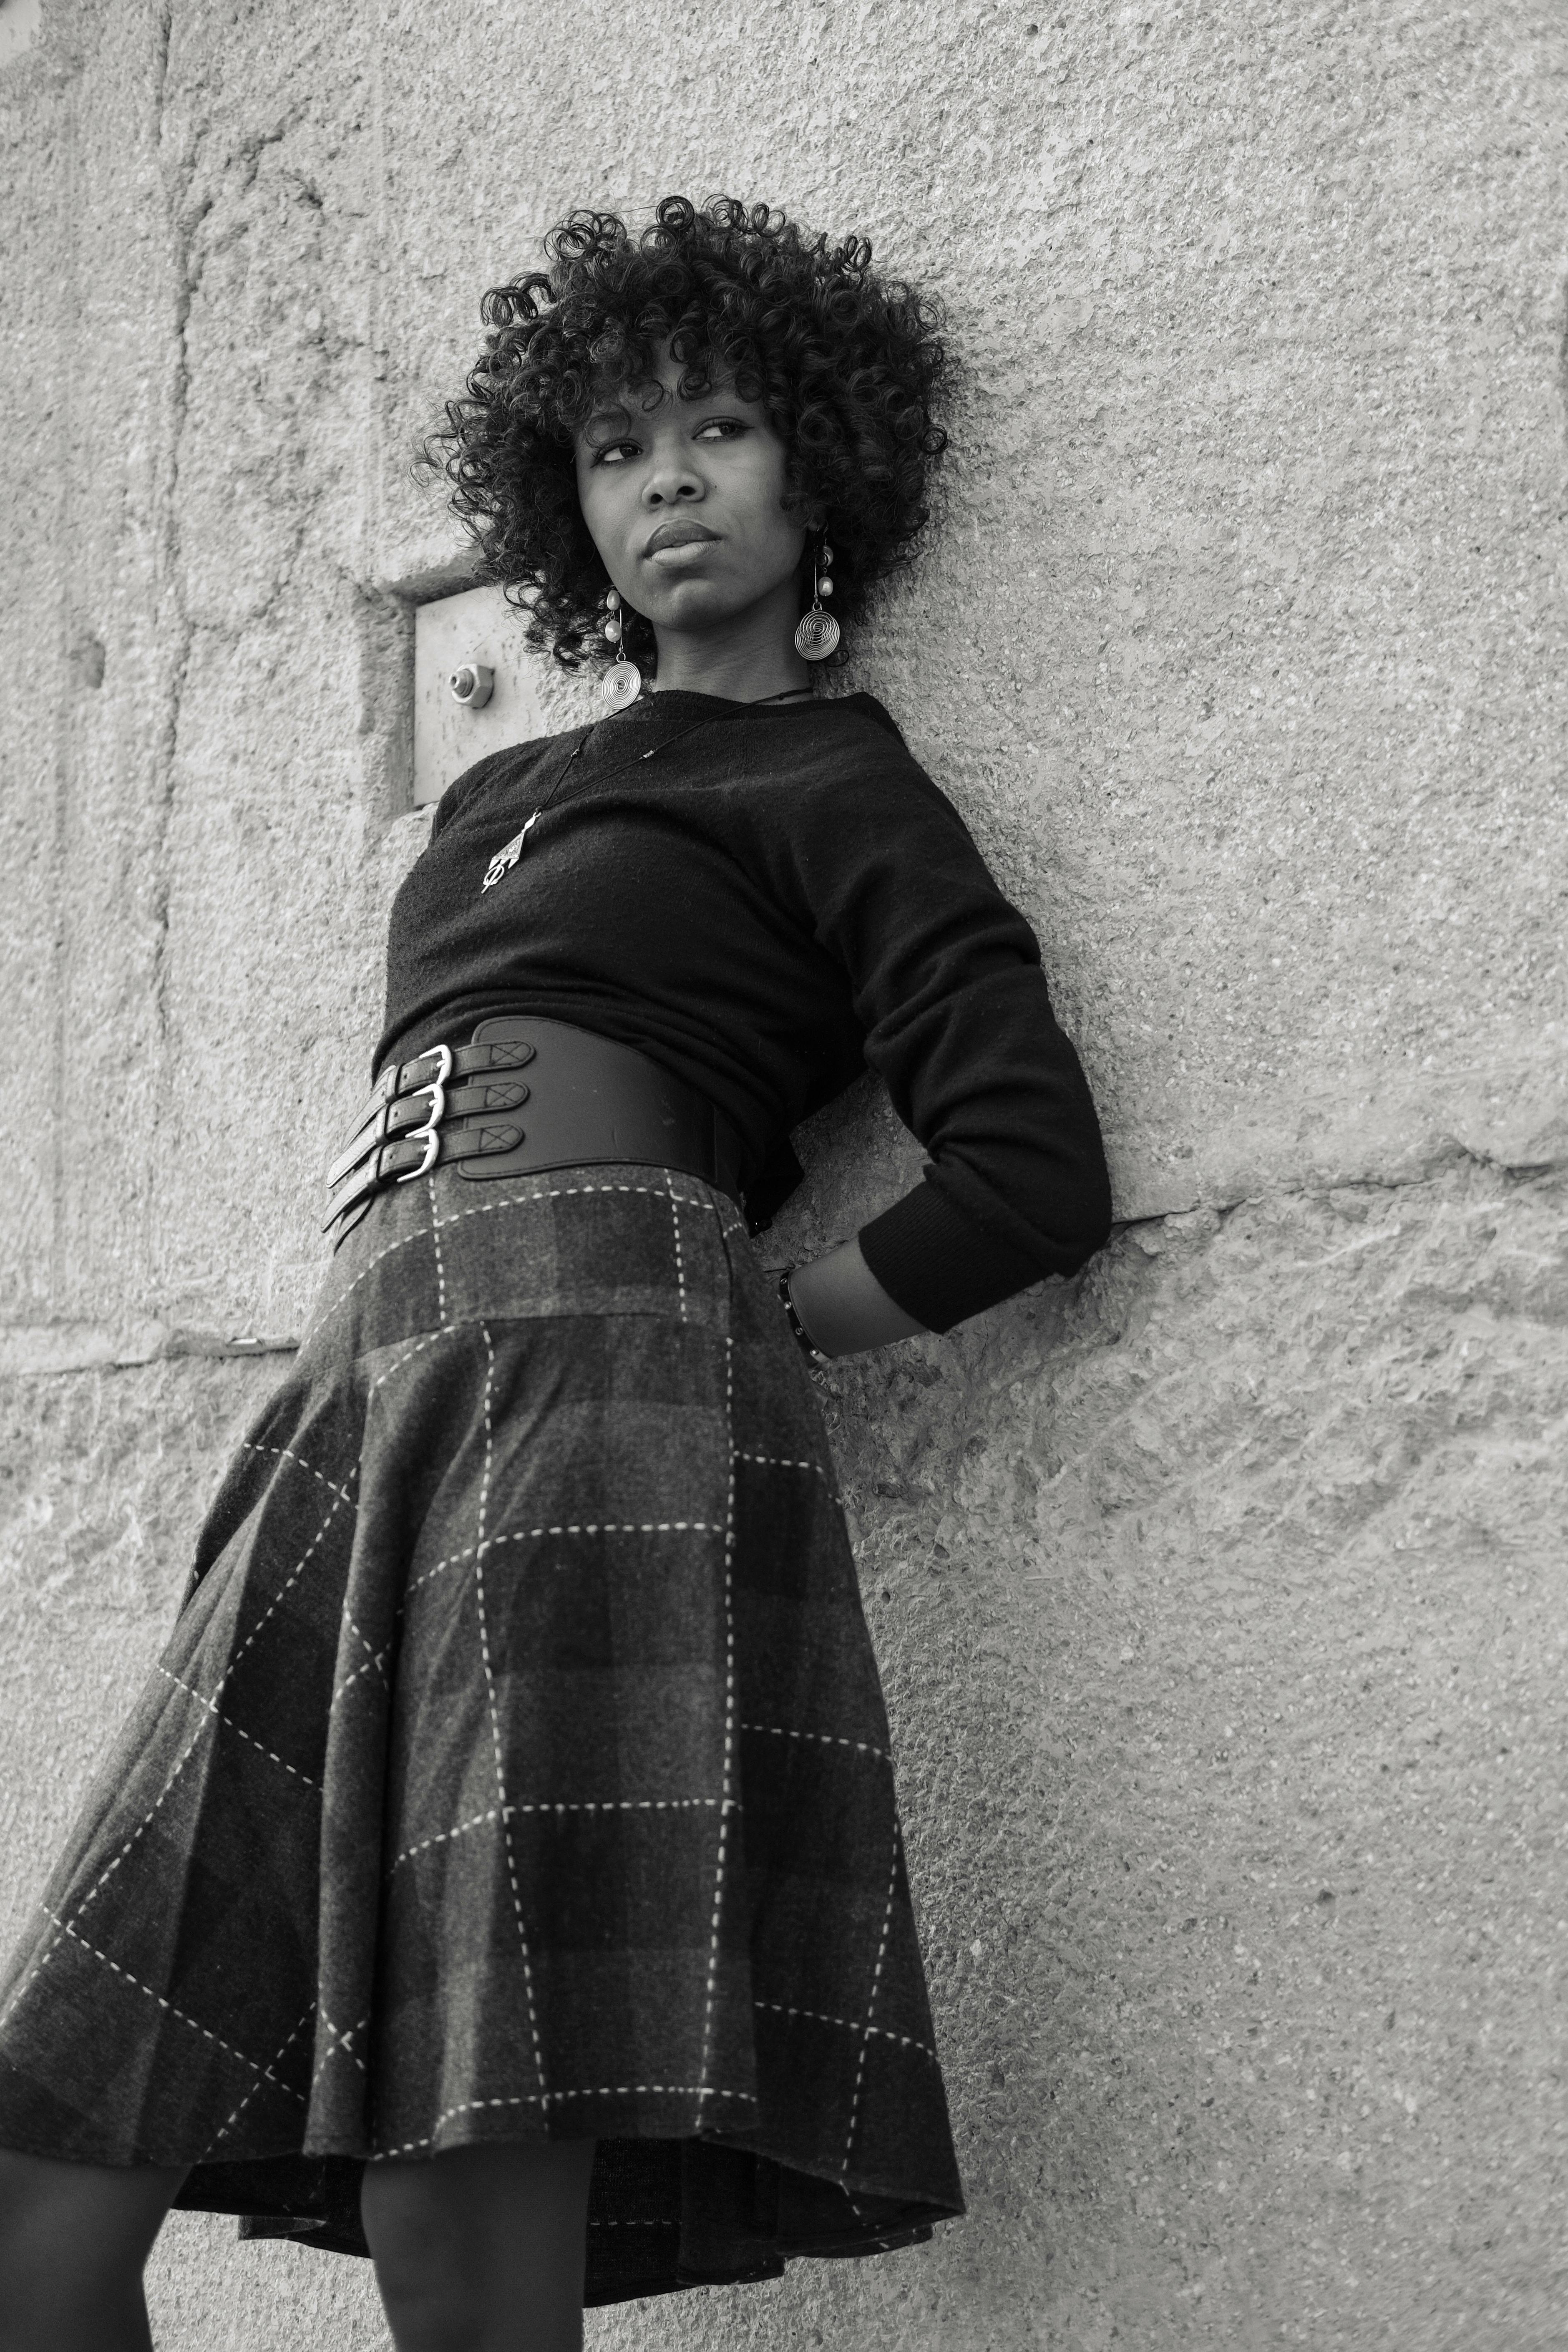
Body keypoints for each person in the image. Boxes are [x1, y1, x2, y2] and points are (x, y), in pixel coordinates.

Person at [0, 195, 1112, 2352]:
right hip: (364, 1384)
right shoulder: (496, 794)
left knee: (468, 2157)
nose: (669, 480)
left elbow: (1030, 1166)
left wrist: (753, 1317)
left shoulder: (840, 776)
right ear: (566, 498)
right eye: (619, 448)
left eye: (719, 430)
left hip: (603, 1380)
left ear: (827, 478)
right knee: (45, 2150)